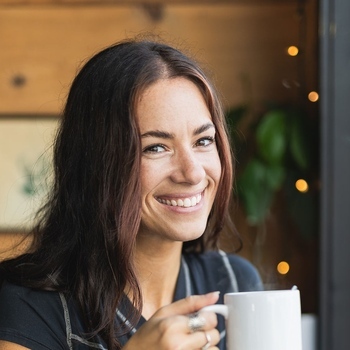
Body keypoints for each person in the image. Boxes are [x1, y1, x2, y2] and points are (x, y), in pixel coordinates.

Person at [0, 38, 263, 350]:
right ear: (98, 163)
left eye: (203, 141)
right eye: (155, 147)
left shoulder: (235, 282)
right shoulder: (28, 306)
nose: (192, 173)